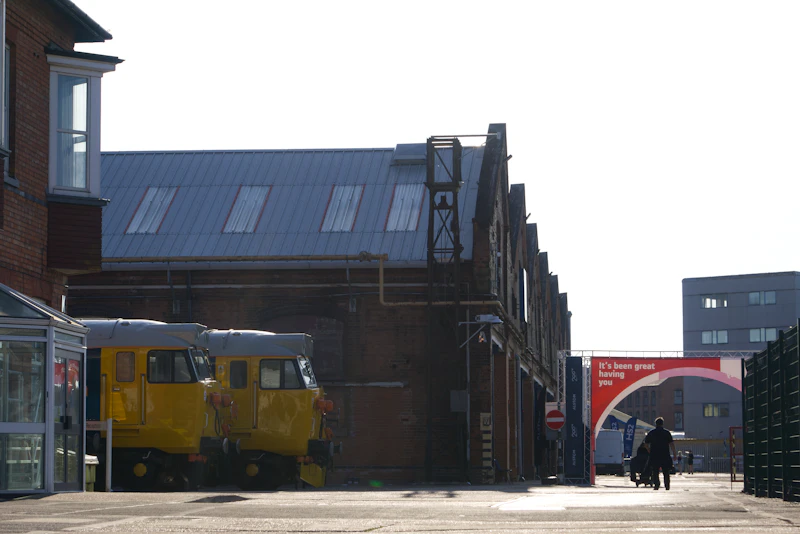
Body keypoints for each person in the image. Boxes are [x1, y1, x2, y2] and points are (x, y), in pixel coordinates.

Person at [644, 416, 677, 490]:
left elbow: (646, 444)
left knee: (655, 471)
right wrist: (674, 454)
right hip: (665, 455)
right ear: (662, 424)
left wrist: (649, 450)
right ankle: (667, 485)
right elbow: (671, 444)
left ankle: (656, 484)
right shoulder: (667, 433)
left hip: (654, 455)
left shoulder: (651, 433)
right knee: (666, 471)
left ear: (655, 424)